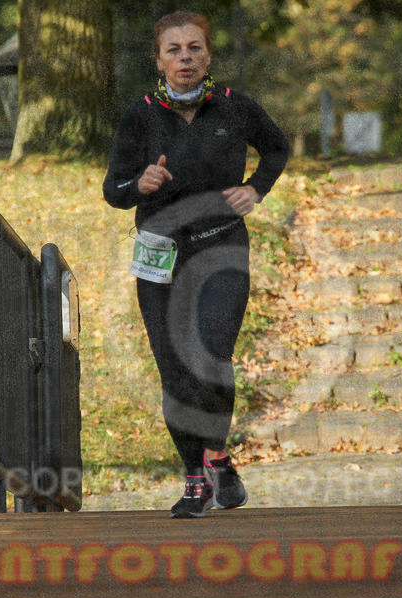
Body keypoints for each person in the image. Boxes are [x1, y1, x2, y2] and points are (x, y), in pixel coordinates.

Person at [103, 11, 289, 518]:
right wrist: (137, 186)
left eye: (194, 48)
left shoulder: (234, 108)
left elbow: (276, 147)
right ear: (158, 60)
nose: (185, 57)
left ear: (208, 56)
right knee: (175, 372)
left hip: (221, 247)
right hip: (159, 256)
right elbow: (113, 191)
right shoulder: (138, 116)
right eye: (174, 50)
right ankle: (197, 476)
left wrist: (256, 188)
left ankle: (219, 456)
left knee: (210, 357)